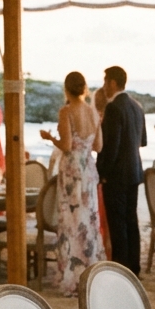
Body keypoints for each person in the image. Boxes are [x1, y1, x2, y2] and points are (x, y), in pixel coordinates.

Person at [39, 71, 106, 295]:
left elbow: (66, 145)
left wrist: (50, 139)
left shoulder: (66, 111)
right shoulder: (93, 112)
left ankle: (72, 277)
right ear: (85, 88)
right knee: (88, 221)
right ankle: (91, 274)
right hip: (88, 169)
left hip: (71, 170)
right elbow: (98, 147)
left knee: (70, 222)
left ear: (67, 89)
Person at [97, 65, 146, 275]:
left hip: (116, 174)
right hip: (134, 171)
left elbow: (111, 146)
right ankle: (134, 267)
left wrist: (102, 173)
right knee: (131, 221)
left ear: (113, 83)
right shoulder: (137, 106)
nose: (104, 86)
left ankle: (121, 268)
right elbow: (142, 141)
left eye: (105, 81)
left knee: (118, 224)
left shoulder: (114, 108)